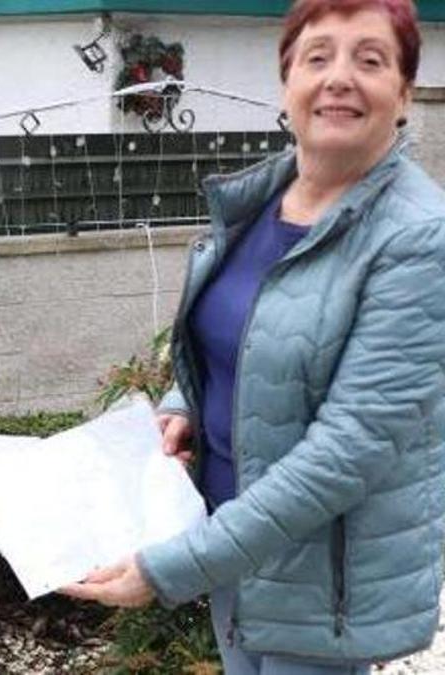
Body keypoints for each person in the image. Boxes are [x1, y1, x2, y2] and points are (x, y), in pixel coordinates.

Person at [60, 1, 445, 673]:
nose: (339, 78)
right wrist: (182, 404)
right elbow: (236, 336)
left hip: (322, 584)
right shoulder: (262, 201)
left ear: (405, 93)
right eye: (317, 56)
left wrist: (173, 565)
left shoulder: (419, 237)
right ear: (286, 81)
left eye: (371, 59)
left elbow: (348, 450)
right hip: (234, 545)